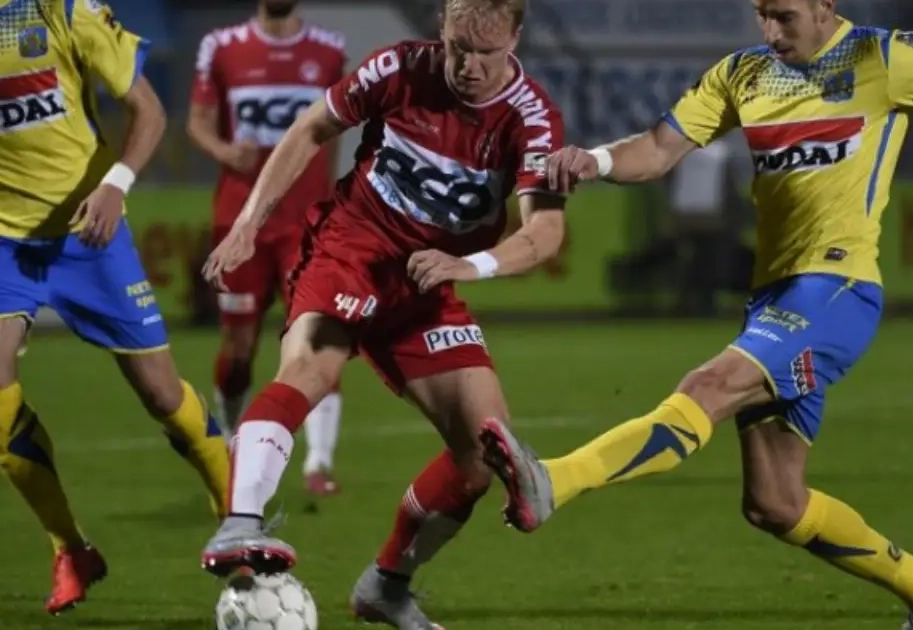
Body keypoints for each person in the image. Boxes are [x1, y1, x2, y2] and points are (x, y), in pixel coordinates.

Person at [477, 1, 913, 629]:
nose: (772, 32)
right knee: (774, 503)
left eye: (785, 15)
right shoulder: (742, 73)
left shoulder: (884, 58)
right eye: (762, 14)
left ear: (826, 4)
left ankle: (555, 480)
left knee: (707, 387)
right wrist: (594, 160)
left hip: (837, 290)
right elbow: (657, 149)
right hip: (774, 300)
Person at [199, 0, 565, 627]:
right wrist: (248, 225)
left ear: (516, 38)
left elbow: (545, 232)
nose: (468, 66)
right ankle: (240, 523)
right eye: (457, 47)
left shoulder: (531, 118)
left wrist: (470, 266)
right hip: (352, 249)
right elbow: (310, 129)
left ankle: (387, 586)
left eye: (486, 52)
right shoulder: (399, 69)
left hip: (428, 280)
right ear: (441, 27)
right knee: (309, 369)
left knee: (480, 455)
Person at [0, 0, 230, 615]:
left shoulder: (62, 12)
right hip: (6, 244)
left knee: (161, 394)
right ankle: (70, 549)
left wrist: (114, 185)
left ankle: (236, 517)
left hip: (88, 236)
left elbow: (149, 110)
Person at [188, 0, 349, 497]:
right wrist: (223, 150)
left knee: (317, 338)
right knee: (239, 348)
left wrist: (332, 199)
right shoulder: (221, 46)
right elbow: (198, 120)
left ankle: (319, 464)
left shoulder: (329, 50)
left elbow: (334, 132)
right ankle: (228, 442)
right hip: (242, 223)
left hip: (306, 225)